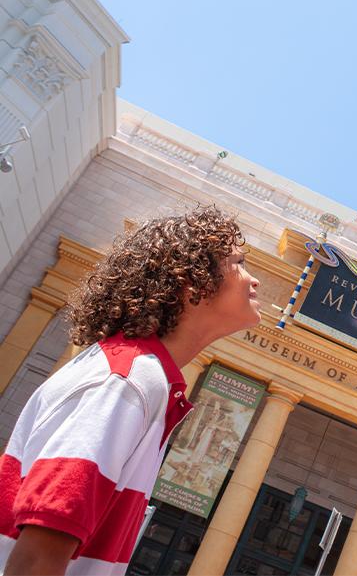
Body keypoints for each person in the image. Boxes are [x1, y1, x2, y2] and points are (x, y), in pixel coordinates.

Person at [0, 206, 261, 576]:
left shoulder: (138, 376)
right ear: (193, 283)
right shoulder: (127, 380)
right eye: (239, 263)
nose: (254, 280)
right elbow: (37, 558)